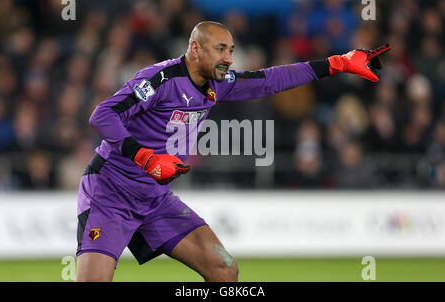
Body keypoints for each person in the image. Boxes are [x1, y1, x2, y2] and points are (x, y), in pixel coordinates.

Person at [75, 21, 390, 282]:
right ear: (195, 49)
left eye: (231, 50)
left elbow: (271, 80)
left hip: (156, 199)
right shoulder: (160, 79)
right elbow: (102, 115)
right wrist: (145, 157)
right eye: (220, 49)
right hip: (111, 193)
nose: (228, 58)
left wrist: (337, 63)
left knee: (224, 269)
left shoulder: (219, 83)